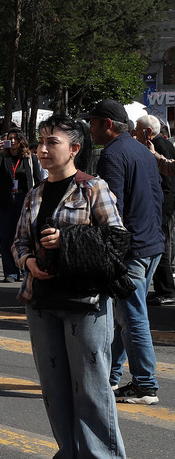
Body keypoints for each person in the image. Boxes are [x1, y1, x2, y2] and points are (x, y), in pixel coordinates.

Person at [12, 115, 129, 459]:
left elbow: (117, 241)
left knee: (91, 383)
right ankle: (68, 457)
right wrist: (29, 262)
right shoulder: (35, 193)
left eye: (52, 142)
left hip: (85, 301)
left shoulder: (93, 188)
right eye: (40, 142)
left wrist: (67, 241)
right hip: (41, 299)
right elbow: (18, 242)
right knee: (54, 385)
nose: (42, 149)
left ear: (74, 148)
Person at [84, 99, 165, 405]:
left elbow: (110, 208)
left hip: (132, 248)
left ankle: (145, 385)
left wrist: (106, 251)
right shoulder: (141, 150)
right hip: (152, 242)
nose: (90, 128)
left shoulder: (112, 154)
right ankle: (111, 376)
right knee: (125, 314)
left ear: (107, 124)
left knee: (132, 316)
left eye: (93, 122)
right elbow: (154, 195)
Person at [0, 129, 43, 283]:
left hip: (24, 200)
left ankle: (26, 268)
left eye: (15, 138)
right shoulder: (2, 156)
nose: (12, 141)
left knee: (26, 236)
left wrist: (40, 199)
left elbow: (38, 179)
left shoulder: (29, 158)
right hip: (5, 200)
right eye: (9, 138)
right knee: (6, 238)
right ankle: (11, 272)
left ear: (20, 141)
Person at [135, 114, 175, 305]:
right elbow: (168, 167)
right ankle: (163, 288)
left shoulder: (162, 145)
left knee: (163, 245)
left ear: (148, 132)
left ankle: (166, 290)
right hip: (163, 204)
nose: (134, 133)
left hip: (164, 205)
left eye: (137, 129)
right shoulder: (158, 148)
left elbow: (167, 179)